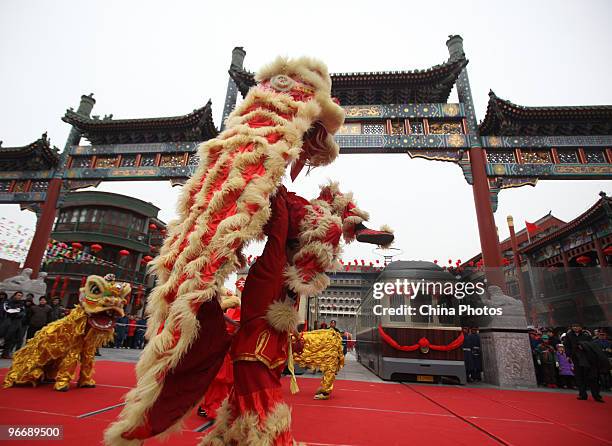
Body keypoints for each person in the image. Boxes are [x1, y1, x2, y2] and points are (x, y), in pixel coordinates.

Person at [564, 323, 604, 402]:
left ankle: (596, 395)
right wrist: (568, 356)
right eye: (573, 326)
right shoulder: (569, 336)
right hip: (576, 358)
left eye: (577, 326)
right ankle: (582, 394)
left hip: (587, 358)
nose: (575, 328)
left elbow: (592, 346)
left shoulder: (586, 335)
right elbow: (567, 346)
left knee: (592, 377)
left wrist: (584, 346)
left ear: (581, 327)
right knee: (579, 377)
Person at [0, 291, 26, 359]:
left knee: (11, 339)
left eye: (20, 295)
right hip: (6, 322)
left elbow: (23, 313)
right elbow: (7, 310)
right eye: (18, 295)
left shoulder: (22, 304)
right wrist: (17, 311)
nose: (19, 297)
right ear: (14, 295)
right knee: (2, 337)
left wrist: (15, 312)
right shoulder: (7, 302)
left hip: (16, 324)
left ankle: (5, 354)